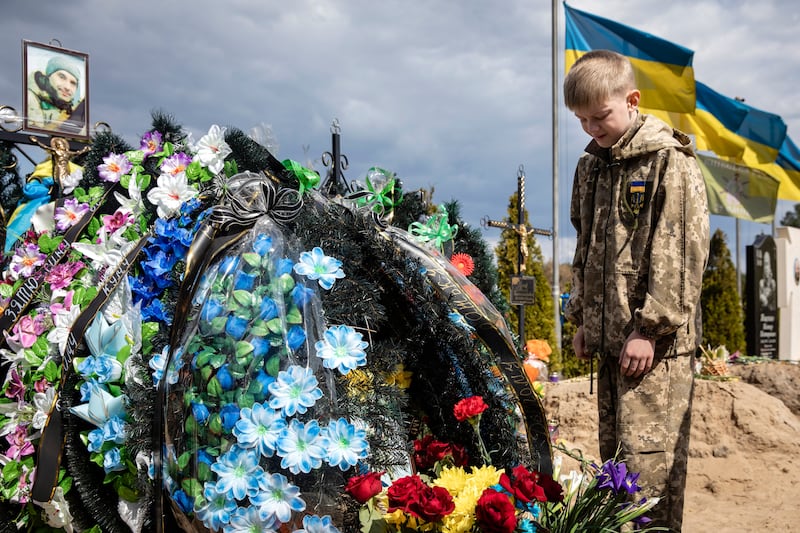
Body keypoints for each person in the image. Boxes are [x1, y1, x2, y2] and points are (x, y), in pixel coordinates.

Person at [563, 50, 710, 532]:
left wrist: (651, 328)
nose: (591, 128)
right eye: (581, 120)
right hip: (609, 347)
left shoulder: (669, 161)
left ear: (632, 100)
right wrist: (582, 317)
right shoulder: (591, 167)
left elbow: (681, 254)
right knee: (617, 478)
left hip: (655, 353)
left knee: (650, 479)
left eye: (600, 115)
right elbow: (584, 246)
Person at [26, 54, 87, 136]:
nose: (67, 87)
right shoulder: (30, 97)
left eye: (73, 83)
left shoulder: (71, 110)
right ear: (48, 76)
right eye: (62, 77)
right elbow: (38, 135)